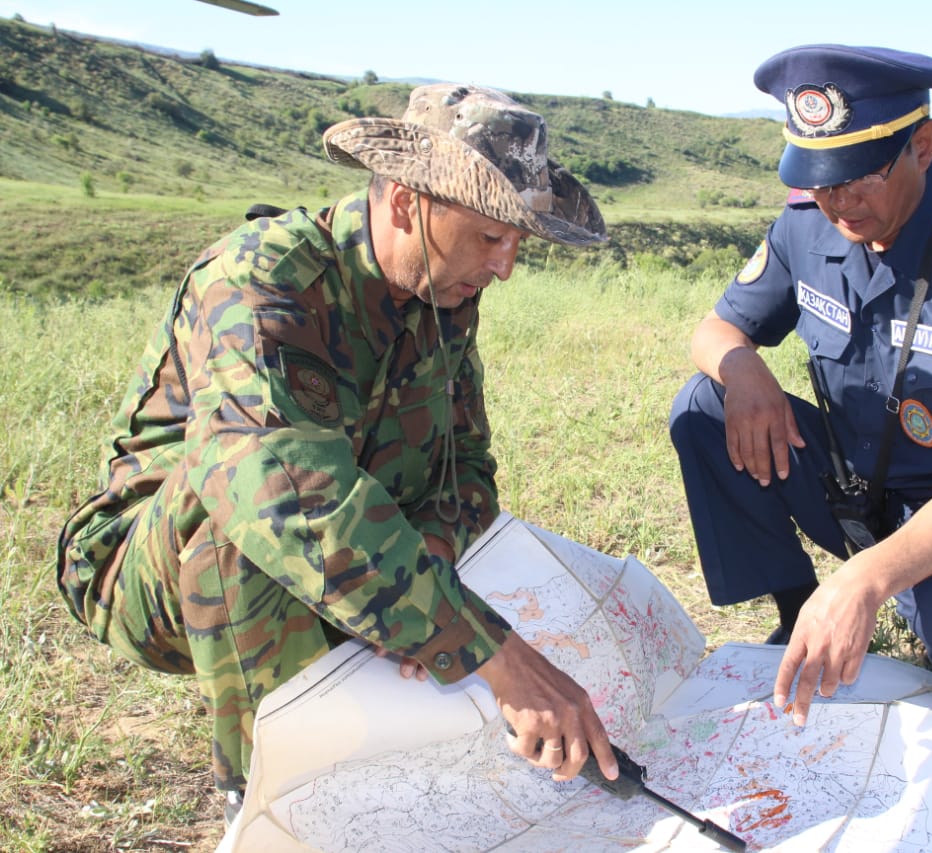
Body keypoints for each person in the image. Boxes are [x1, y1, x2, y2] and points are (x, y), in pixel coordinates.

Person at [54, 83, 620, 817]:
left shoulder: (444, 299)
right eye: (491, 236)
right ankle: (273, 802)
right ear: (406, 204)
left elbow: (469, 470)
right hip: (154, 573)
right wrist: (486, 649)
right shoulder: (263, 277)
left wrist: (430, 559)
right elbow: (285, 496)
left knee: (376, 569)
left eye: (520, 241)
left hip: (321, 574)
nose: (507, 265)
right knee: (245, 503)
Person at [669, 45, 932, 725]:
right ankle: (795, 605)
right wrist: (743, 366)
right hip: (860, 493)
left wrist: (864, 580)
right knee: (704, 405)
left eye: (859, 177)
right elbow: (714, 331)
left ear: (922, 146)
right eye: (821, 179)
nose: (840, 201)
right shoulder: (807, 226)